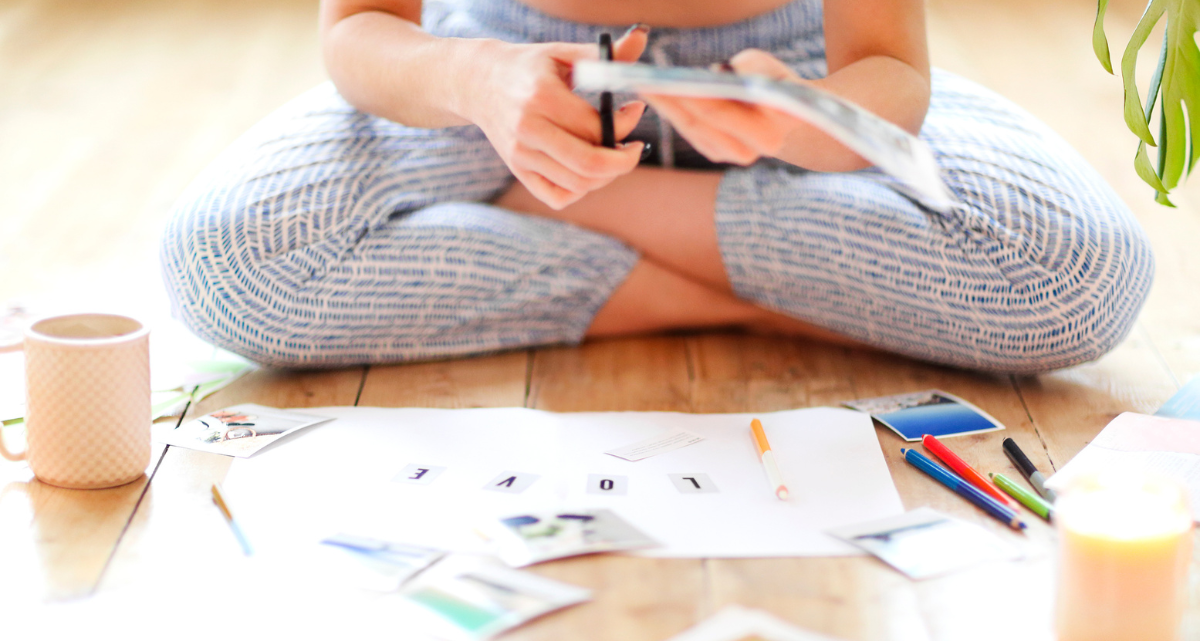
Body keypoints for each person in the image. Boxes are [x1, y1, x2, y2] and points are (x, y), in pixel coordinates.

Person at [160, 0, 1155, 373]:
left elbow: (886, 71)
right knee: (225, 263)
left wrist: (812, 123)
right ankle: (780, 298)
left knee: (1078, 282)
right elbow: (357, 32)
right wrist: (478, 85)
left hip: (793, 69)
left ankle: (589, 212)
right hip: (507, 77)